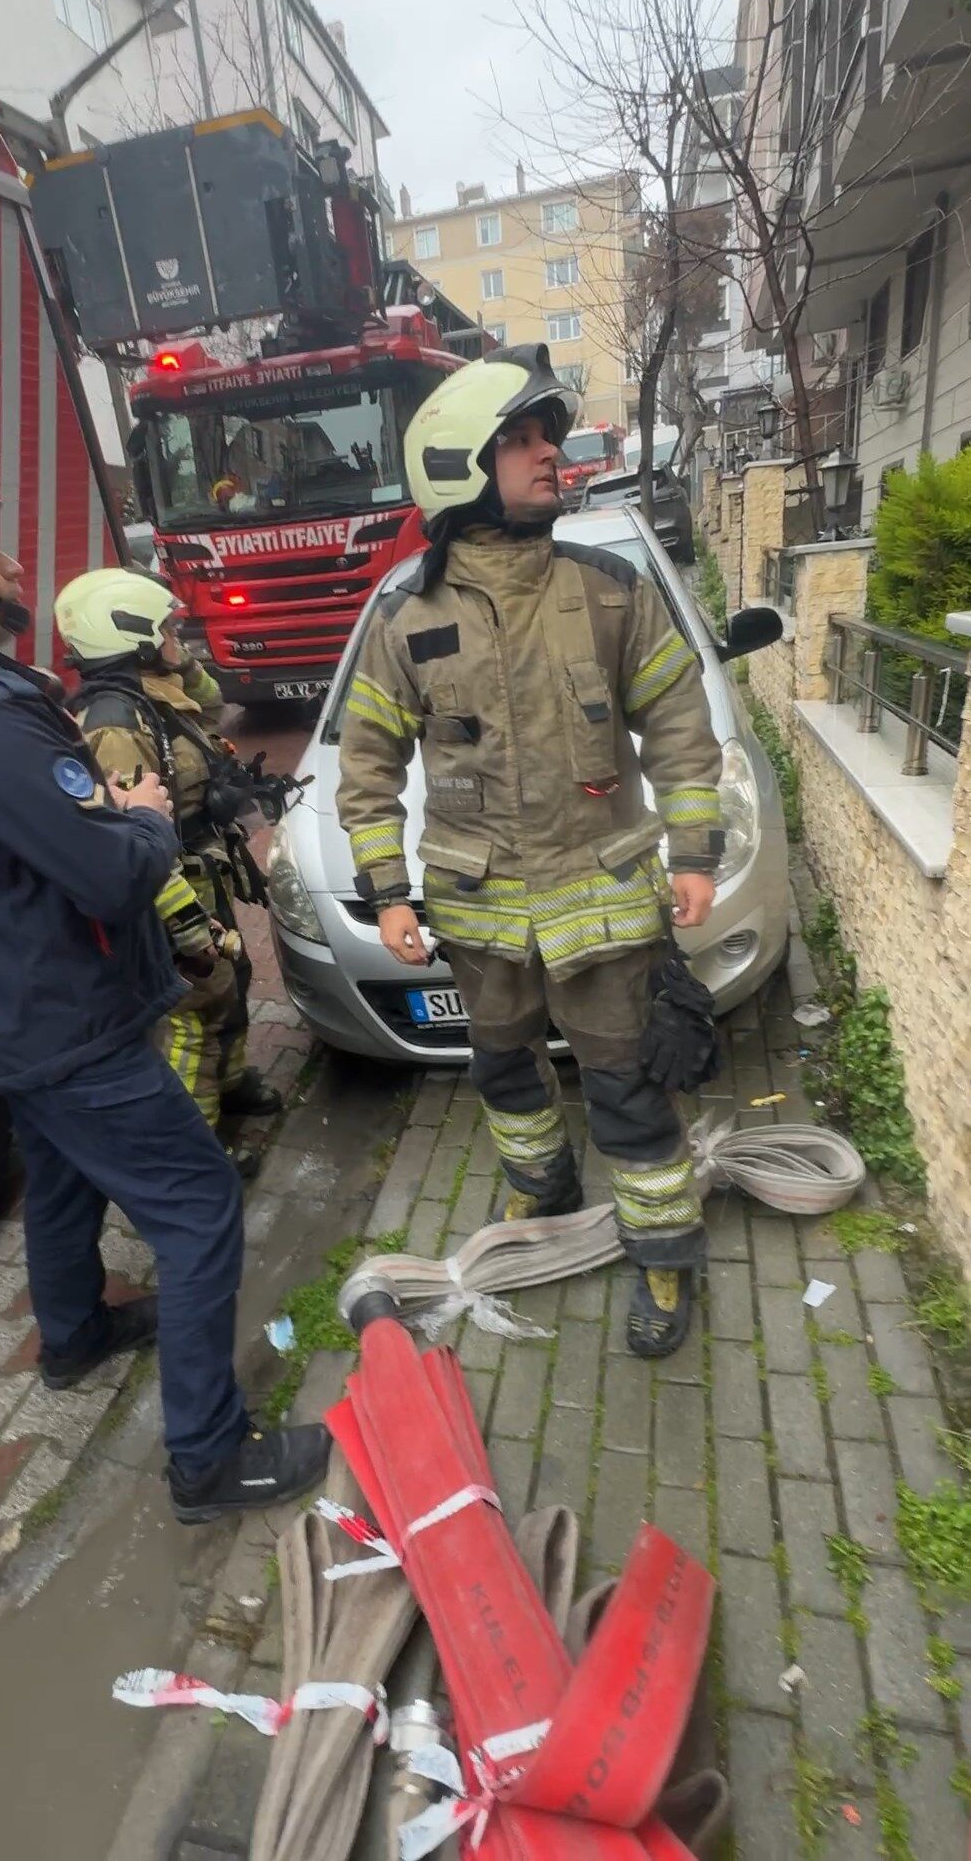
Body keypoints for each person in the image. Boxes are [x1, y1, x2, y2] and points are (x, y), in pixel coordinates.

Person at [0, 444, 328, 1520]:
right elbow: (109, 875)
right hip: (61, 1019)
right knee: (199, 1204)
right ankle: (208, 1458)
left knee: (61, 1174)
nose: (7, 561)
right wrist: (139, 816)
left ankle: (75, 1335)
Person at [336, 347, 723, 1358]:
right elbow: (366, 767)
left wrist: (695, 852)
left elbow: (680, 724)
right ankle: (542, 1189)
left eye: (546, 435)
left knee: (628, 1087)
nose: (550, 451)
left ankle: (664, 1251)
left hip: (601, 904)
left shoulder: (609, 591)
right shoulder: (406, 618)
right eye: (521, 438)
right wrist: (388, 893)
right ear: (461, 466)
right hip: (480, 915)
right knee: (504, 1073)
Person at [54, 568, 281, 1171]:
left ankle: (230, 1084)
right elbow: (127, 836)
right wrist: (183, 923)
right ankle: (196, 1148)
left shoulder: (157, 695)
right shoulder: (115, 725)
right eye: (168, 630)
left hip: (203, 868)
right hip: (171, 884)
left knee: (231, 980)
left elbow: (212, 703)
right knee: (191, 1012)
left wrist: (176, 661)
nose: (180, 639)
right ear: (132, 639)